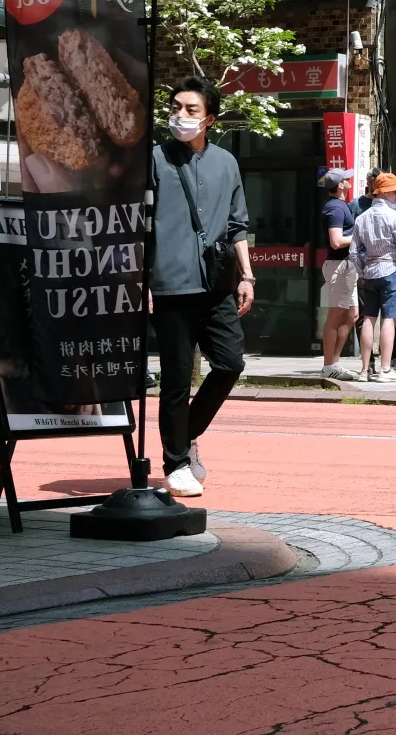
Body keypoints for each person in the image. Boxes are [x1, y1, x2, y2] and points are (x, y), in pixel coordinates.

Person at [150, 75, 253, 500]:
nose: (181, 116)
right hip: (170, 284)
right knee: (175, 379)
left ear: (210, 117)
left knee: (230, 364)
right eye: (176, 108)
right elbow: (136, 223)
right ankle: (176, 463)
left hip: (216, 284)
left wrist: (247, 275)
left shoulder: (226, 163)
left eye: (191, 110)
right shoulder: (154, 160)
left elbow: (237, 224)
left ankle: (184, 435)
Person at [350, 172, 396, 381]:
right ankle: (386, 369)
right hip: (391, 270)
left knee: (368, 318)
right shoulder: (395, 216)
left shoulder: (361, 218)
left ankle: (364, 369)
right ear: (385, 192)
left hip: (370, 272)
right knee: (389, 319)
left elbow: (353, 251)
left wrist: (362, 271)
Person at [317, 170, 361, 381]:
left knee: (351, 315)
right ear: (340, 185)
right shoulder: (335, 208)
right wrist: (360, 237)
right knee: (335, 317)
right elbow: (336, 241)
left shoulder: (340, 205)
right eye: (346, 179)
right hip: (339, 265)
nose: (349, 180)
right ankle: (328, 365)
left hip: (345, 265)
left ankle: (334, 363)